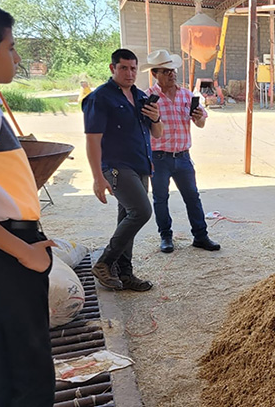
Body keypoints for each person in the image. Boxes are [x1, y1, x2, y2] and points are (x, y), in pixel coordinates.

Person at [0, 3, 56, 406]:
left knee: (0, 362)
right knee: (28, 364)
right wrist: (24, 253)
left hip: (6, 244)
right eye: (10, 47)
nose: (16, 57)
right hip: (6, 247)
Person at [83, 48, 163, 291]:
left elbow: (157, 134)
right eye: (124, 68)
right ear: (112, 68)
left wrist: (157, 118)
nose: (130, 73)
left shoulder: (140, 97)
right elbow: (92, 140)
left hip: (141, 165)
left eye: (133, 68)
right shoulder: (100, 98)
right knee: (141, 211)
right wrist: (98, 177)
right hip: (116, 167)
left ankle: (125, 274)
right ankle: (104, 263)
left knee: (127, 218)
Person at [141, 49, 220, 253]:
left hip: (183, 156)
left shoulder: (187, 95)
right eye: (166, 71)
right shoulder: (148, 98)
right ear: (155, 74)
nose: (171, 74)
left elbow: (201, 123)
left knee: (192, 197)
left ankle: (201, 236)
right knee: (160, 199)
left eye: (173, 70)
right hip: (159, 157)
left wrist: (197, 116)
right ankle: (166, 237)